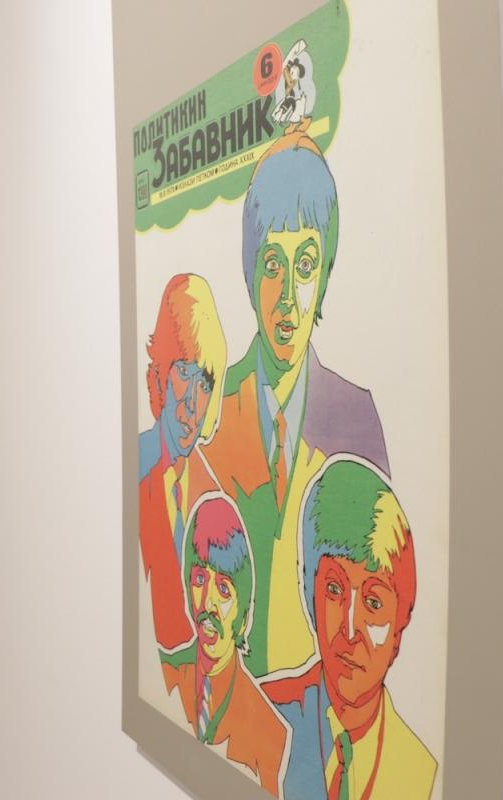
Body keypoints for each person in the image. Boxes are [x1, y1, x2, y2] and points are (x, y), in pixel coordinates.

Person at [201, 134, 389, 676]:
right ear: (250, 272)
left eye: (305, 265)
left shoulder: (357, 419)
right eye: (272, 265)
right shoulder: (213, 411)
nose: (287, 298)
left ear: (325, 272)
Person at [262, 458, 435, 800]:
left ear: (399, 628)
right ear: (310, 595)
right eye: (334, 590)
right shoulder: (265, 712)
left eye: (373, 603)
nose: (350, 628)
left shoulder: (420, 768)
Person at [161, 494, 287, 795]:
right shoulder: (167, 672)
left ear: (243, 615)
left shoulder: (270, 732)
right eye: (199, 580)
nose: (208, 603)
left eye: (224, 589)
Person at [138, 274, 226, 652]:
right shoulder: (133, 469)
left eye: (204, 382)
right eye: (184, 372)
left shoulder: (215, 496)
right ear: (160, 372)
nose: (192, 402)